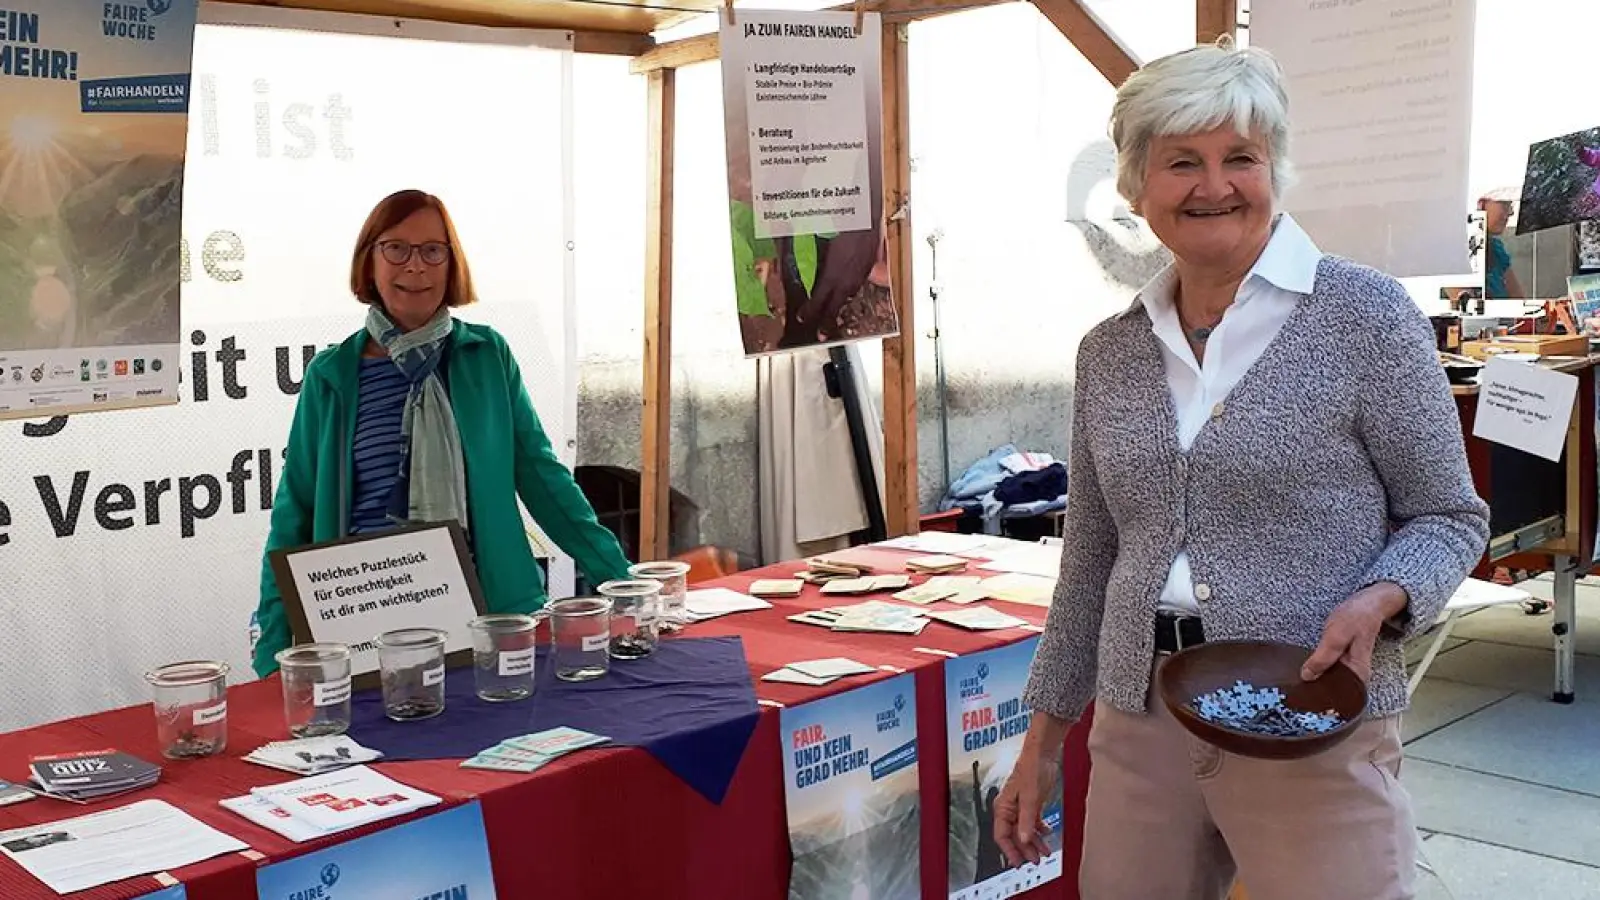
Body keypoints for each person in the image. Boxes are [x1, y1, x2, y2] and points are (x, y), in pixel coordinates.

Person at [992, 41, 1489, 900]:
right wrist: (1043, 739)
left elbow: (1450, 515)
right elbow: (1091, 559)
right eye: (1181, 161)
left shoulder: (1364, 317)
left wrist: (1382, 597)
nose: (1213, 185)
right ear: (1136, 186)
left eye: (1241, 159)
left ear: (1276, 171)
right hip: (1138, 717)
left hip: (1311, 712)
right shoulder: (1109, 352)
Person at [251, 189, 633, 675]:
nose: (416, 267)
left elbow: (543, 478)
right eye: (396, 248)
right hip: (362, 624)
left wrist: (619, 579)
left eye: (433, 250)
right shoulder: (330, 376)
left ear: (452, 264)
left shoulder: (486, 356)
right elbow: (294, 516)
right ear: (369, 262)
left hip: (487, 615)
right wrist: (273, 649)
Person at [1479, 195, 1524, 299]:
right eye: (1504, 204)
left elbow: (1518, 300)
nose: (1511, 213)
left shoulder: (1496, 250)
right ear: (1480, 204)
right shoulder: (1453, 255)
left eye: (1510, 205)